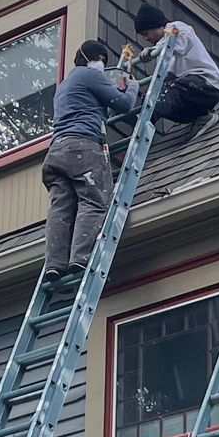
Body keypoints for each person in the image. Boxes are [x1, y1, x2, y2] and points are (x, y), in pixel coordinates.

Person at [41, 38, 133, 277]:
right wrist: (131, 86)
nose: (101, 65)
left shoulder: (64, 84)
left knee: (60, 208)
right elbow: (122, 104)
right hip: (82, 147)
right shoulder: (89, 75)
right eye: (101, 60)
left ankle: (54, 264)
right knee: (93, 200)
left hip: (56, 152)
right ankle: (80, 258)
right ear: (95, 59)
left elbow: (96, 106)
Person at [129, 2, 219, 131]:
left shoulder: (178, 28)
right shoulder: (161, 49)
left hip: (207, 84)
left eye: (146, 33)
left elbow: (177, 45)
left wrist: (153, 50)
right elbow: (166, 78)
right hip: (191, 92)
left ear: (155, 26)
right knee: (157, 97)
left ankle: (142, 122)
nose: (145, 38)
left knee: (166, 95)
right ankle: (202, 117)